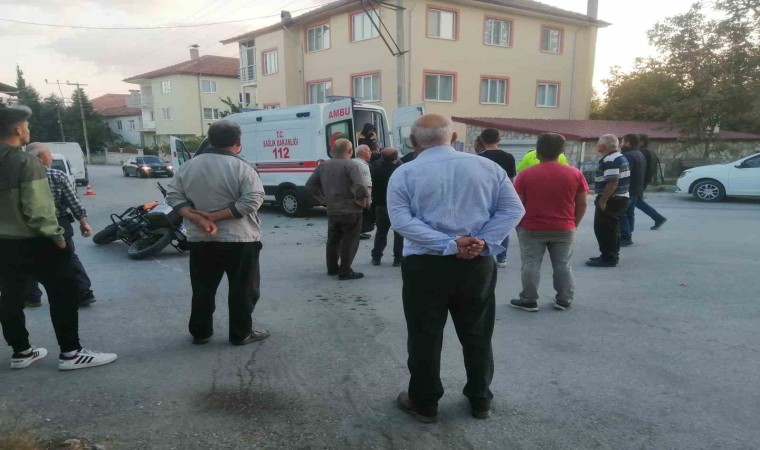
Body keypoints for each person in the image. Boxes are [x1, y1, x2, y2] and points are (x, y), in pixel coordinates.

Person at [387, 114, 525, 423]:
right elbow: (513, 209)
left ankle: (424, 402)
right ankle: (480, 399)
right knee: (477, 332)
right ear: (453, 138)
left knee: (424, 334)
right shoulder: (488, 167)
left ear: (413, 141)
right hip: (476, 264)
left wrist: (450, 243)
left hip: (425, 266)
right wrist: (481, 241)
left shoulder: (405, 173)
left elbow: (401, 221)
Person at [0, 105, 117, 370]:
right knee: (63, 293)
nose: (28, 129)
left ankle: (21, 352)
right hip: (35, 241)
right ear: (18, 129)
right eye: (26, 125)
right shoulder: (25, 161)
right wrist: (58, 238)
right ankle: (71, 353)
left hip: (4, 244)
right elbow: (38, 209)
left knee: (10, 296)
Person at [166, 120, 269, 346]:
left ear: (210, 140)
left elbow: (172, 196)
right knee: (243, 289)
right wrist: (215, 216)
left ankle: (200, 332)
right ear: (238, 142)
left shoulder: (188, 167)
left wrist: (199, 218)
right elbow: (253, 200)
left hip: (201, 239)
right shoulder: (243, 168)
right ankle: (241, 333)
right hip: (240, 239)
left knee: (203, 288)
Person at [509, 134, 588, 312]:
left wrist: (518, 225)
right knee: (563, 265)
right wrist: (574, 223)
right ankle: (564, 299)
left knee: (530, 264)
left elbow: (517, 203)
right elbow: (582, 203)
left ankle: (528, 300)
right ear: (561, 151)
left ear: (538, 151)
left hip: (531, 227)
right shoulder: (575, 174)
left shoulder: (526, 174)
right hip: (564, 227)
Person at [24, 143, 96, 308]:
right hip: (59, 223)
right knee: (68, 257)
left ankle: (32, 297)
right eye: (49, 155)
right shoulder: (57, 175)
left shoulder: (21, 177)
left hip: (30, 226)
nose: (51, 158)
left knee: (29, 258)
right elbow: (73, 201)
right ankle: (83, 292)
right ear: (40, 158)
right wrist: (84, 223)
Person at [306, 138, 369, 280]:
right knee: (350, 241)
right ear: (350, 151)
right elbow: (360, 186)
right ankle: (345, 271)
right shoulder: (352, 165)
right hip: (351, 210)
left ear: (333, 151)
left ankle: (332, 268)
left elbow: (310, 185)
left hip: (332, 209)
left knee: (333, 240)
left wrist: (322, 200)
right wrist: (361, 202)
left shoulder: (323, 166)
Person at [586, 134, 630, 267]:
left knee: (605, 230)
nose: (597, 145)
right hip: (619, 198)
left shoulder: (610, 159)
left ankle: (609, 258)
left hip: (612, 199)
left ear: (603, 145)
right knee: (610, 229)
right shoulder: (618, 157)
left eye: (598, 143)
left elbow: (612, 182)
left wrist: (603, 200)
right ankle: (608, 255)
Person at [477, 129, 517, 268]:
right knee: (501, 225)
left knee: (482, 225)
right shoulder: (508, 157)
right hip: (500, 195)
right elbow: (510, 180)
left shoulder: (478, 158)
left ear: (482, 140)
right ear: (499, 140)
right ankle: (501, 258)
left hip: (483, 195)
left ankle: (482, 251)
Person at [370, 148, 404, 267]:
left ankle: (376, 257)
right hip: (398, 206)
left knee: (381, 231)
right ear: (396, 158)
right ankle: (398, 258)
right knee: (399, 233)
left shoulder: (375, 168)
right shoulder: (400, 169)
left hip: (381, 205)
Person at [618, 134, 647, 247]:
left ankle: (625, 236)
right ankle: (628, 234)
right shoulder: (639, 154)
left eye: (622, 141)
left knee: (621, 213)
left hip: (628, 189)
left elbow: (624, 174)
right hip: (637, 189)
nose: (620, 144)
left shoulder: (628, 155)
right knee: (629, 213)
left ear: (628, 143)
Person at [636, 134, 667, 230]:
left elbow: (639, 168)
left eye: (637, 140)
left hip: (639, 182)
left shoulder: (642, 152)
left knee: (632, 202)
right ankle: (658, 218)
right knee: (637, 202)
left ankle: (658, 218)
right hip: (644, 181)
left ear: (642, 142)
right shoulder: (651, 152)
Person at [355, 145, 374, 240]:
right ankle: (357, 233)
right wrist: (365, 195)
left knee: (363, 213)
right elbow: (360, 181)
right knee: (360, 212)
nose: (370, 153)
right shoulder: (359, 164)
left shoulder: (362, 163)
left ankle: (360, 231)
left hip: (366, 190)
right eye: (368, 151)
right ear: (362, 152)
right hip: (362, 192)